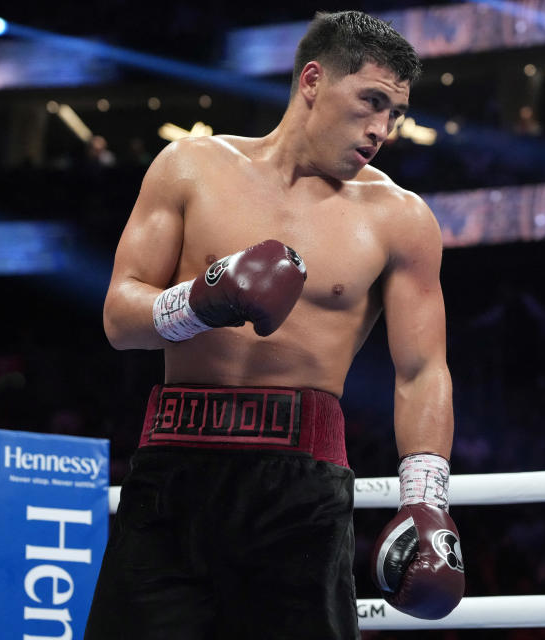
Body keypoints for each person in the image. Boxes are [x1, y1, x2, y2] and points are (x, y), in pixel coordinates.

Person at [84, 11, 464, 639]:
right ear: (313, 80)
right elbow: (120, 319)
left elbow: (422, 370)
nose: (382, 130)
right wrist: (203, 302)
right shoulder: (190, 167)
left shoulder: (400, 218)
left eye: (394, 113)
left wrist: (427, 500)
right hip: (172, 470)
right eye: (370, 101)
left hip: (300, 488)